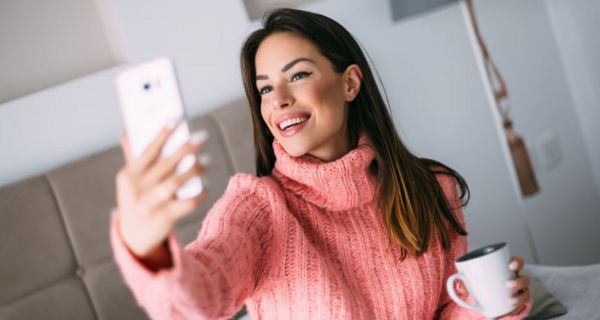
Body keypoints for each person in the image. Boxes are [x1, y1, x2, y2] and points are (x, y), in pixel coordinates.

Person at [111, 8, 532, 320]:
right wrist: (145, 247)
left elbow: (446, 307)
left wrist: (492, 306)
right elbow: (201, 296)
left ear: (349, 82)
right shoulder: (258, 207)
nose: (278, 100)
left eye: (297, 76)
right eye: (264, 89)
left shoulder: (430, 187)